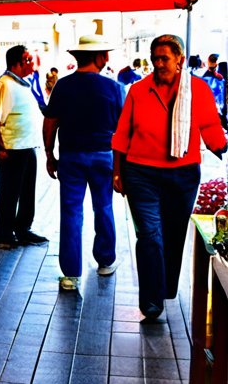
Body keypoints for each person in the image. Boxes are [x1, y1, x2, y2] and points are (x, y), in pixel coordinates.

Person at [112, 34, 227, 319]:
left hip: (183, 175)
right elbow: (122, 134)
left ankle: (164, 288)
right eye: (155, 59)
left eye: (165, 58)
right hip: (141, 173)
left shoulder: (198, 89)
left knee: (174, 235)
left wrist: (221, 147)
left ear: (180, 60)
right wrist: (117, 172)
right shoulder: (138, 90)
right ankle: (152, 303)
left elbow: (211, 124)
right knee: (149, 236)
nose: (159, 64)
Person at [43, 35, 126, 291]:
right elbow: (122, 129)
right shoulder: (113, 87)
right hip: (104, 156)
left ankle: (70, 275)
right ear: (100, 57)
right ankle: (105, 261)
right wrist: (122, 167)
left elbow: (51, 122)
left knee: (71, 212)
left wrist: (49, 154)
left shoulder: (63, 86)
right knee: (103, 208)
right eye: (105, 54)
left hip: (70, 157)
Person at [0, 45, 49, 249]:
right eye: (27, 59)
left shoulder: (24, 84)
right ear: (16, 63)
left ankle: (23, 229)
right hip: (11, 148)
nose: (31, 63)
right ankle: (4, 234)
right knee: (9, 192)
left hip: (28, 146)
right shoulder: (2, 85)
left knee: (27, 192)